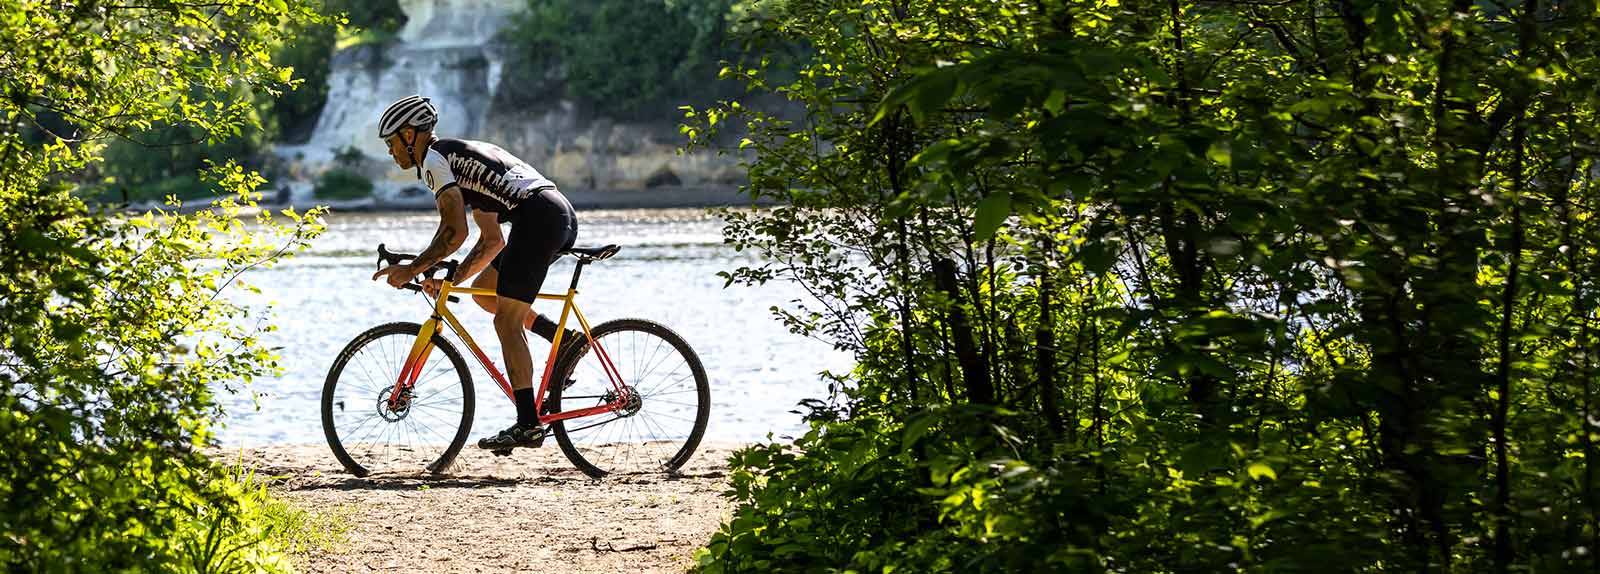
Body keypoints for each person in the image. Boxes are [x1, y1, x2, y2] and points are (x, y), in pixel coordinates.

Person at [370, 94, 578, 451]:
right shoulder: (458, 157)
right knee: (485, 292)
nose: (391, 152)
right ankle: (563, 340)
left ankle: (528, 424)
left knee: (506, 322)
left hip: (539, 219)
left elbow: (454, 232)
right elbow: (491, 240)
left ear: (409, 135)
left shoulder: (435, 161)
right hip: (552, 214)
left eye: (391, 143)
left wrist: (412, 269)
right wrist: (450, 280)